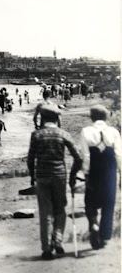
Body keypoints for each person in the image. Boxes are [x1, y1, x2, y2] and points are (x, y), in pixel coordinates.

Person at [27, 105, 82, 260]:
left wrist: (32, 176)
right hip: (59, 176)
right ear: (57, 119)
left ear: (42, 118)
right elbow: (78, 157)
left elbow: (31, 159)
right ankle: (57, 241)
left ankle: (46, 249)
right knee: (60, 209)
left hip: (42, 176)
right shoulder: (63, 134)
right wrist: (73, 176)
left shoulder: (36, 135)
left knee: (45, 212)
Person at [78, 105, 122, 250]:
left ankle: (93, 224)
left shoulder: (85, 131)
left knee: (90, 200)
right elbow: (119, 155)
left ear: (92, 117)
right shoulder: (114, 132)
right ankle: (104, 236)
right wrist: (121, 173)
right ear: (106, 117)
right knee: (108, 203)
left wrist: (86, 172)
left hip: (94, 169)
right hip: (110, 170)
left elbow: (85, 155)